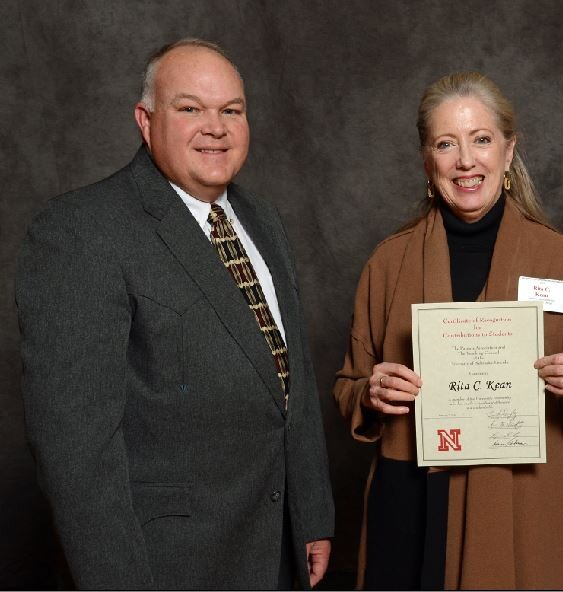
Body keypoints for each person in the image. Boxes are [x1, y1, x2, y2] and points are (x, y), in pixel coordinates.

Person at [16, 38, 334, 590]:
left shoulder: (262, 220)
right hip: (169, 565)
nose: (216, 127)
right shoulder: (81, 232)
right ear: (146, 119)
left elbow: (290, 377)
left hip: (277, 549)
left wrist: (312, 516)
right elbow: (77, 454)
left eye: (231, 111)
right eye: (190, 108)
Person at [333, 72, 563, 589]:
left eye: (481, 140)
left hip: (521, 505)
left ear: (509, 152)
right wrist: (371, 392)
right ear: (428, 160)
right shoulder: (388, 262)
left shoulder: (556, 257)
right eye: (447, 144)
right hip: (414, 503)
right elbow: (348, 386)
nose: (466, 161)